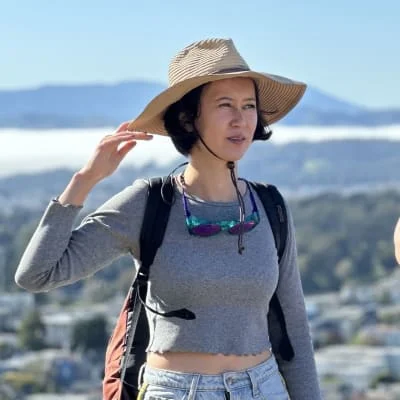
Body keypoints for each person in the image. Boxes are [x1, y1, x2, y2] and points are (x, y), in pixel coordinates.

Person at [15, 38, 322, 399]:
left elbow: (295, 329)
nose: (241, 119)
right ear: (187, 118)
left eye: (249, 106)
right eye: (225, 105)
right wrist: (86, 180)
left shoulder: (270, 207)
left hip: (264, 387)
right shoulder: (149, 204)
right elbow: (37, 274)